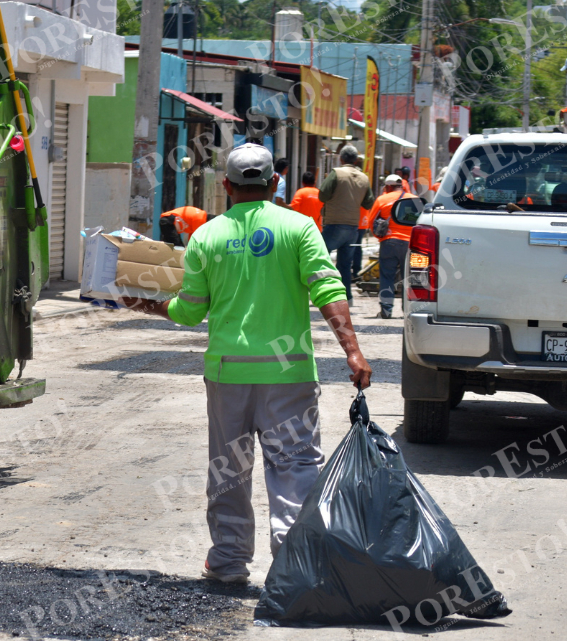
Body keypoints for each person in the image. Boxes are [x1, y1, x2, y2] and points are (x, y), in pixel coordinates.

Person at [117, 143, 373, 584]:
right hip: (288, 374)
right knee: (294, 467)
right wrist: (352, 350)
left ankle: (228, 560)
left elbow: (188, 312)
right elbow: (328, 289)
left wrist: (145, 303)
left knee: (229, 471)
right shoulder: (299, 227)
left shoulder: (207, 236)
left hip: (228, 375)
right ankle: (294, 567)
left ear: (227, 186)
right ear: (275, 183)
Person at [319, 145, 375, 308]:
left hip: (334, 224)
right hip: (353, 228)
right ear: (356, 160)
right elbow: (369, 202)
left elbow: (322, 194)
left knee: (319, 257)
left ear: (341, 158)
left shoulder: (336, 173)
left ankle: (320, 294)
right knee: (345, 265)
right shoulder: (363, 178)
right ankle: (347, 298)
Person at [366, 174, 414, 319]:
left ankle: (386, 310)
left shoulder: (382, 199)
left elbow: (371, 221)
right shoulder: (414, 199)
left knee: (387, 276)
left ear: (387, 186)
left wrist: (381, 237)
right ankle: (408, 311)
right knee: (409, 277)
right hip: (410, 244)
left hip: (389, 242)